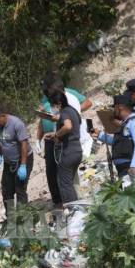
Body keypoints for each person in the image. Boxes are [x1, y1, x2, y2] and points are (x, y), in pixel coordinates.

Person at [37, 73, 92, 207]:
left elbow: (68, 125)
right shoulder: (53, 103)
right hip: (55, 139)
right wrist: (38, 139)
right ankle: (60, 202)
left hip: (66, 142)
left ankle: (74, 206)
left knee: (66, 179)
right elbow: (45, 121)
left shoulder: (69, 100)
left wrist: (57, 134)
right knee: (54, 173)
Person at [0, 107, 33, 217]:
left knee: (20, 189)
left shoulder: (16, 124)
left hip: (23, 160)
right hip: (9, 162)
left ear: (3, 115)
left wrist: (23, 165)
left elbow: (24, 144)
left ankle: (22, 217)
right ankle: (11, 218)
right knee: (6, 190)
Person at [91, 94, 135, 179]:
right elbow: (119, 143)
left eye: (114, 108)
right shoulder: (125, 124)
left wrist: (134, 166)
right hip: (123, 168)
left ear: (119, 107)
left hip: (131, 168)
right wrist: (100, 135)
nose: (114, 111)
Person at [43, 90, 83, 205]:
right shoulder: (73, 111)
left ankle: (74, 211)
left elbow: (68, 126)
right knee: (69, 183)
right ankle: (77, 208)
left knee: (64, 185)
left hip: (68, 151)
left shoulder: (65, 112)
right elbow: (74, 123)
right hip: (77, 150)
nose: (52, 108)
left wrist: (56, 134)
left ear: (59, 103)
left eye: (52, 105)